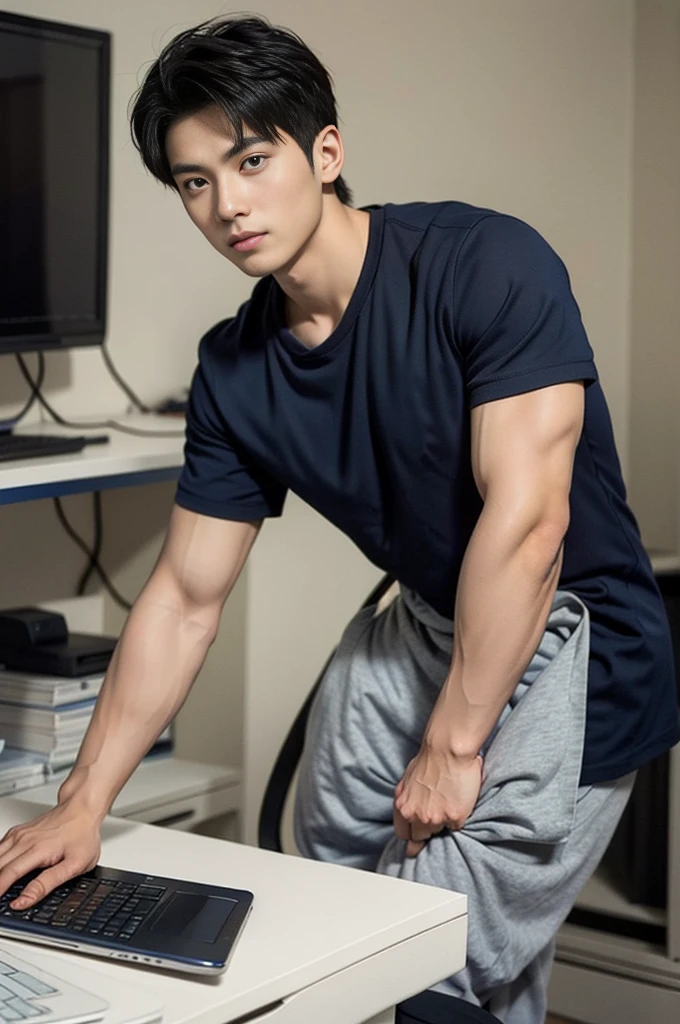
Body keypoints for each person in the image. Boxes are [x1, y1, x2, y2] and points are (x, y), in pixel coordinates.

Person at [0, 15, 677, 1023]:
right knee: (334, 917)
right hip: (428, 627)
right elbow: (185, 596)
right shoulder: (234, 370)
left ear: (324, 152)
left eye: (251, 158)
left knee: (444, 963)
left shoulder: (486, 265)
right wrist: (83, 803)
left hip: (573, 638)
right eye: (194, 181)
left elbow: (529, 527)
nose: (227, 204)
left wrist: (452, 747)